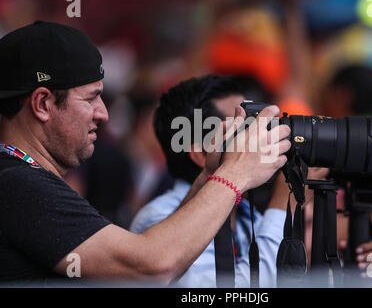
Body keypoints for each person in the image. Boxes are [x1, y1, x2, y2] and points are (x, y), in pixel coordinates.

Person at [0, 21, 291, 285]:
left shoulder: (22, 181)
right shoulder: (16, 186)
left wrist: (210, 176)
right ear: (42, 104)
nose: (103, 114)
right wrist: (236, 173)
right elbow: (152, 267)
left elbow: (141, 273)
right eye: (91, 98)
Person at [130, 75, 288, 287]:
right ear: (203, 155)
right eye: (244, 127)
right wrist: (282, 207)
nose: (257, 137)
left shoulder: (246, 216)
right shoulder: (160, 219)